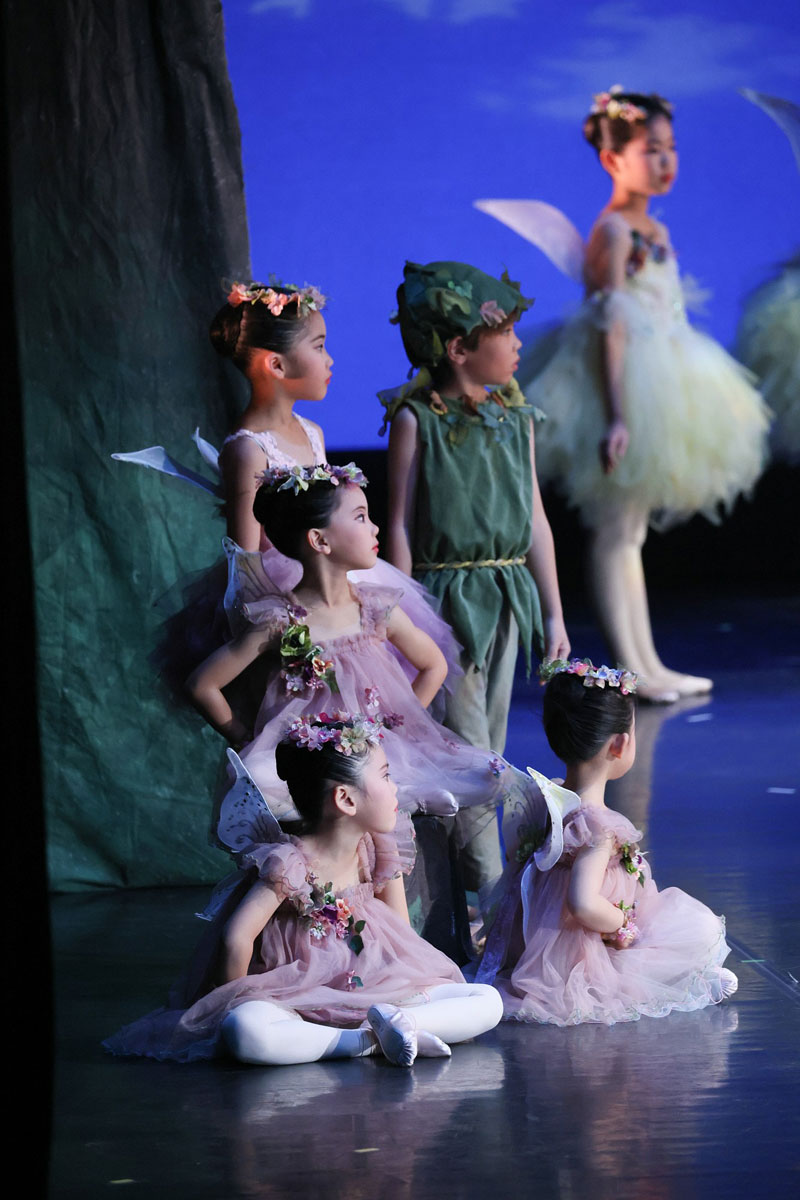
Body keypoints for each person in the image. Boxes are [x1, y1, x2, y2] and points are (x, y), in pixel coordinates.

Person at [476, 89, 770, 701]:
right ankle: (630, 667)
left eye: (671, 148)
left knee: (631, 532)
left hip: (663, 374)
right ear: (614, 160)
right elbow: (608, 322)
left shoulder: (652, 227)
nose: (666, 161)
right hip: (618, 387)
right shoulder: (612, 230)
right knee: (615, 530)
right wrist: (616, 415)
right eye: (651, 150)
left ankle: (649, 663)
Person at [113, 279, 460, 684]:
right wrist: (274, 620)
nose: (330, 360)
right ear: (276, 365)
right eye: (319, 347)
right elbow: (246, 557)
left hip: (334, 570)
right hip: (290, 587)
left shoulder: (312, 432)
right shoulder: (249, 448)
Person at [103, 714, 503, 1065]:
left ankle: (397, 1025)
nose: (396, 788)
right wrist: (229, 1005)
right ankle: (365, 1042)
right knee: (246, 1029)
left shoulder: (378, 849)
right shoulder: (291, 863)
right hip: (298, 996)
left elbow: (402, 935)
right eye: (385, 776)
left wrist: (402, 988)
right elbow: (235, 938)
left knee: (487, 1001)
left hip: (373, 990)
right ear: (345, 799)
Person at [187, 463, 540, 829]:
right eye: (360, 517)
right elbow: (202, 685)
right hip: (318, 764)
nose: (375, 527)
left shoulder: (374, 608)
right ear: (319, 540)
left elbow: (434, 664)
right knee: (274, 787)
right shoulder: (280, 621)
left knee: (457, 782)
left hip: (373, 753)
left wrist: (399, 726)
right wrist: (246, 736)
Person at [380, 260, 570, 893]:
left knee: (489, 742)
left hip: (506, 596)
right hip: (444, 603)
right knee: (471, 753)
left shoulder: (517, 419)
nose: (518, 345)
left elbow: (535, 519)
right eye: (504, 333)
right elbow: (400, 524)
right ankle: (490, 895)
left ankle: (472, 893)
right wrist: (398, 617)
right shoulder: (418, 420)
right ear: (459, 349)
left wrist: (554, 613)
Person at [476, 659, 738, 1025]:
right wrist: (622, 925)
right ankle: (691, 981)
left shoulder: (548, 797)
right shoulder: (598, 827)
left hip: (537, 937)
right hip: (584, 948)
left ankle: (686, 976)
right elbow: (583, 903)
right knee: (693, 931)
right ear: (620, 744)